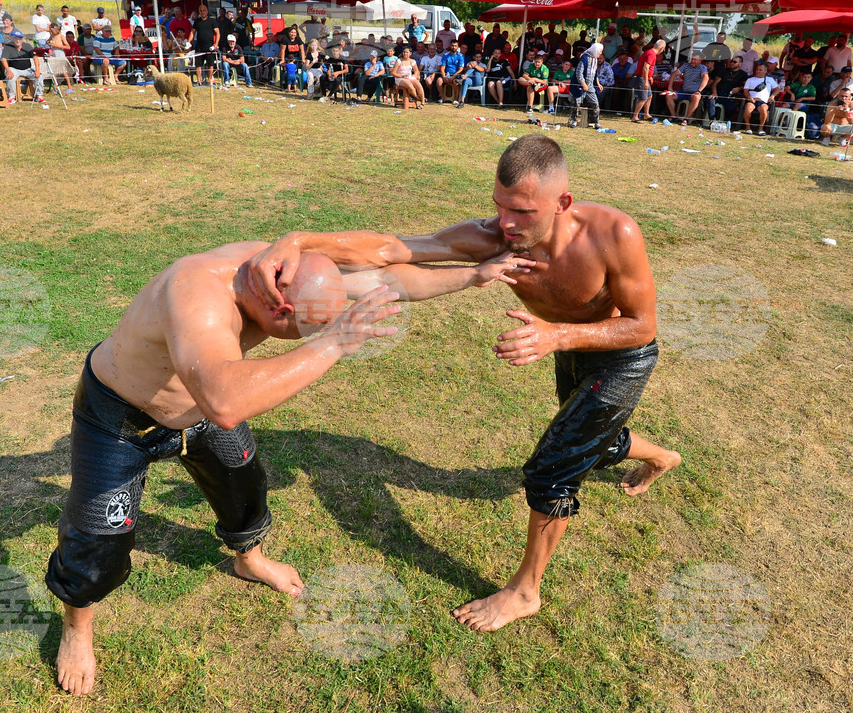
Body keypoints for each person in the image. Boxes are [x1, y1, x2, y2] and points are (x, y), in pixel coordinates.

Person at [46, 238, 523, 696]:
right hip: (121, 418)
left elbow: (383, 276)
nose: (305, 338)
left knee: (245, 489)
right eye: (303, 330)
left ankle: (248, 559)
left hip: (200, 408)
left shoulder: (287, 272)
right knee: (98, 540)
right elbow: (226, 401)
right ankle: (77, 628)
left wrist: (472, 276)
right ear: (281, 309)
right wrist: (332, 344)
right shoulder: (197, 292)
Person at [249, 134, 680, 634]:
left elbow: (642, 325)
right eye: (499, 207)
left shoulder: (613, 233)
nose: (506, 223)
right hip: (566, 344)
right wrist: (298, 241)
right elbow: (392, 249)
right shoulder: (494, 237)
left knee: (553, 468)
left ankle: (524, 592)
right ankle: (660, 456)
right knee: (592, 443)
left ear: (562, 203)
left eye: (521, 211)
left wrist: (557, 335)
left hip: (620, 354)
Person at [1, 29, 44, 103]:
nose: (18, 40)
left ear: (22, 39)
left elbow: (35, 58)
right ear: (12, 38)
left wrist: (37, 70)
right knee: (10, 77)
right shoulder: (8, 46)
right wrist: (8, 71)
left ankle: (39, 95)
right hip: (14, 69)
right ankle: (11, 97)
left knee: (39, 76)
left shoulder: (27, 46)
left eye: (20, 38)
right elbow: (3, 59)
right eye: (16, 38)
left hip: (27, 69)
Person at [665, 52, 709, 125]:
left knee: (696, 97)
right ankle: (673, 116)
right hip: (683, 91)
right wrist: (670, 87)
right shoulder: (686, 66)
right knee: (668, 95)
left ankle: (686, 118)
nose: (692, 61)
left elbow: (706, 78)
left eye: (695, 59)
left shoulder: (703, 68)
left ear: (700, 60)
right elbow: (674, 74)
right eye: (692, 59)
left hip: (694, 92)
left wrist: (699, 91)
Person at [568, 43, 604, 128]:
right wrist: (583, 84)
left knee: (594, 103)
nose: (600, 53)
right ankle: (573, 121)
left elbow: (594, 73)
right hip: (579, 85)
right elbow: (578, 72)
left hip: (590, 84)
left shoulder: (595, 59)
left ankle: (595, 121)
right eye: (599, 51)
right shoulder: (584, 58)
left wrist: (598, 83)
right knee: (576, 103)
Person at [629, 39, 666, 123]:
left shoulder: (650, 52)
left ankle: (646, 114)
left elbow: (648, 68)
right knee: (643, 98)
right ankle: (635, 116)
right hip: (642, 78)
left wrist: (650, 77)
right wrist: (646, 81)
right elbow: (645, 67)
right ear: (662, 48)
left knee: (649, 96)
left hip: (645, 77)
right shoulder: (651, 54)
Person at [741, 62, 779, 135]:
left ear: (765, 71)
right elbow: (745, 91)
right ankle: (748, 128)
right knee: (748, 107)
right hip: (752, 100)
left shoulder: (770, 79)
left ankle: (761, 128)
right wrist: (749, 97)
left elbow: (777, 89)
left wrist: (772, 96)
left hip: (763, 101)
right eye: (757, 69)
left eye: (760, 70)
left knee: (764, 109)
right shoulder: (750, 80)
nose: (758, 71)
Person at [187, 4, 220, 86]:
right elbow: (192, 32)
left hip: (210, 46)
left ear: (207, 11)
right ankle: (199, 81)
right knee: (198, 64)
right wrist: (188, 42)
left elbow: (218, 33)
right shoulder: (197, 21)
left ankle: (209, 81)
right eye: (201, 11)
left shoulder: (212, 21)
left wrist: (216, 44)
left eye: (204, 10)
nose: (202, 12)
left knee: (210, 64)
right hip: (199, 46)